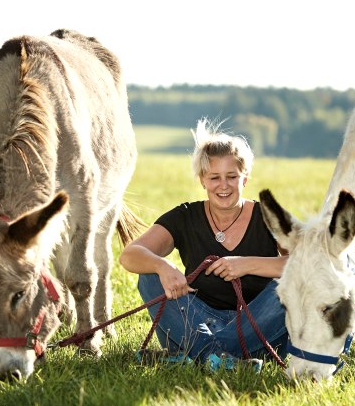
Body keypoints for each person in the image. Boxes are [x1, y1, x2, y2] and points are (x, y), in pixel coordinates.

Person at [119, 118, 288, 371]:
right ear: (202, 180)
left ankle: (196, 355)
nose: (223, 185)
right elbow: (130, 255)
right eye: (214, 177)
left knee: (290, 288)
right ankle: (220, 358)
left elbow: (305, 265)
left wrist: (246, 265)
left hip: (255, 324)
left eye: (232, 176)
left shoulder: (269, 217)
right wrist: (162, 266)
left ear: (245, 179)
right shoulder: (185, 216)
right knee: (149, 277)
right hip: (196, 322)